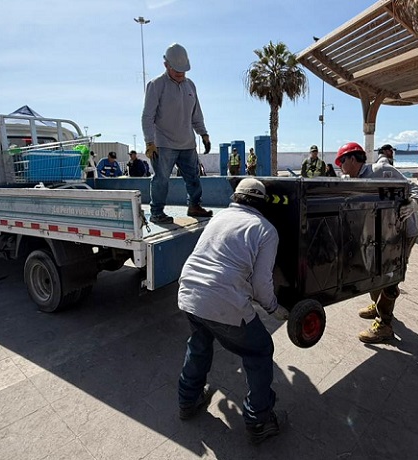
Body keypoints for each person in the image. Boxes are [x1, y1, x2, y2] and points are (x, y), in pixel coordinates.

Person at [177, 178, 289, 444]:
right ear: (261, 203)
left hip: (189, 293)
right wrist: (275, 309)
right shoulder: (265, 229)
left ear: (236, 197)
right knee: (259, 349)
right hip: (222, 301)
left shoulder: (219, 218)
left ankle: (187, 401)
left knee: (200, 343)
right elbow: (261, 285)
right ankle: (259, 420)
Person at [335, 142, 418, 343]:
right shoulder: (354, 181)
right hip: (381, 234)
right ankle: (377, 303)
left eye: (342, 161)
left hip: (403, 232)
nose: (340, 167)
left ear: (353, 159)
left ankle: (385, 324)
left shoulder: (381, 170)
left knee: (390, 274)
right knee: (373, 271)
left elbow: (413, 185)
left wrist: (414, 203)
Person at [142, 43, 213, 224]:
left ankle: (194, 205)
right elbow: (147, 116)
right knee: (161, 180)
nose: (181, 74)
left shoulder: (191, 86)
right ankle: (157, 212)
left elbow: (196, 114)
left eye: (183, 71)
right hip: (163, 144)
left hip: (188, 144)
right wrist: (150, 142)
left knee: (194, 177)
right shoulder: (156, 85)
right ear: (166, 65)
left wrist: (203, 134)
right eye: (177, 71)